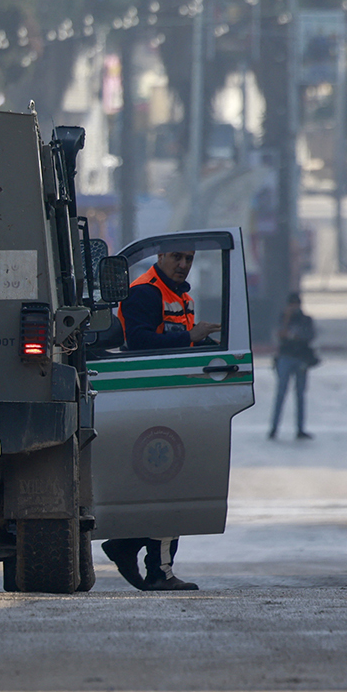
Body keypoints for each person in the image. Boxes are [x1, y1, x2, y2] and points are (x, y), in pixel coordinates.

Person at [102, 247, 219, 591]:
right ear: (161, 256)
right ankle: (158, 571)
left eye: (189, 259)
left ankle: (126, 546)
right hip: (151, 400)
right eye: (177, 257)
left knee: (166, 483)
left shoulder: (180, 296)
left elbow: (180, 345)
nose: (183, 265)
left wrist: (213, 347)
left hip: (171, 400)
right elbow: (137, 342)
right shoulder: (145, 292)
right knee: (172, 484)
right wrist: (190, 337)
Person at [268, 292, 316, 441]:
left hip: (300, 358)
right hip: (285, 357)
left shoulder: (305, 319)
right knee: (281, 393)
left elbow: (309, 335)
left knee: (300, 394)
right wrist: (287, 319)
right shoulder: (283, 317)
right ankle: (274, 428)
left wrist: (296, 335)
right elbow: (279, 333)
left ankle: (300, 429)